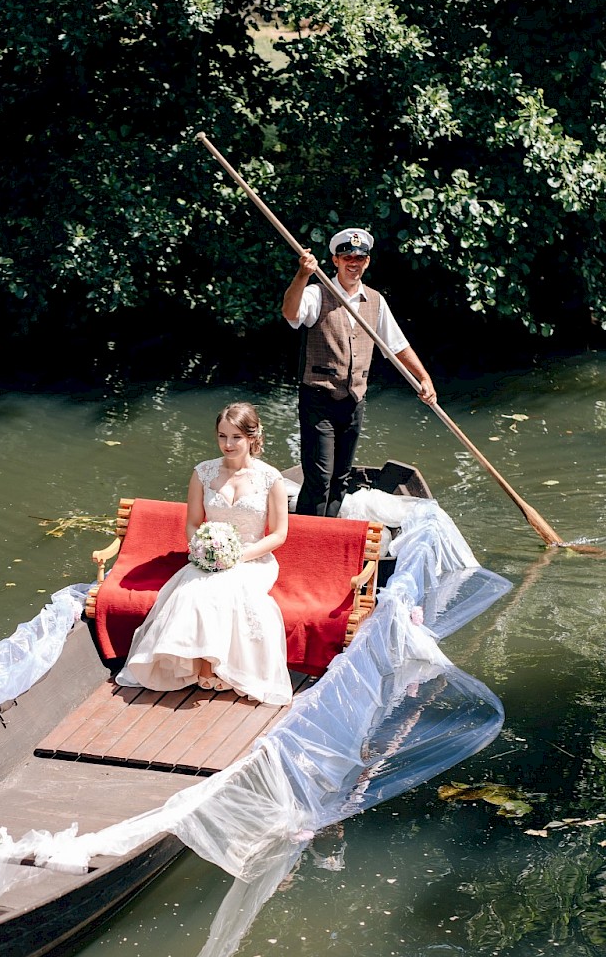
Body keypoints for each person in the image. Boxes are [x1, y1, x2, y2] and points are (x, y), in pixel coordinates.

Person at [116, 402, 292, 706]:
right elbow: (194, 523)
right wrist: (203, 549)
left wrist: (238, 557)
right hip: (209, 554)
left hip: (252, 558)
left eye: (235, 437)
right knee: (192, 592)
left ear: (252, 436)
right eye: (222, 436)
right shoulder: (203, 472)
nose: (227, 444)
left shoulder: (270, 479)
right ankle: (196, 664)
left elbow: (278, 534)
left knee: (226, 589)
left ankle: (217, 666)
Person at [282, 227, 437, 516]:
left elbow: (397, 345)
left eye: (359, 257)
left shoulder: (376, 301)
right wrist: (303, 274)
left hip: (354, 401)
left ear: (367, 261)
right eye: (347, 257)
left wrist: (423, 377)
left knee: (341, 478)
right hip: (319, 398)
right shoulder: (317, 293)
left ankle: (332, 537)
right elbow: (291, 313)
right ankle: (309, 541)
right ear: (335, 260)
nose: (353, 262)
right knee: (319, 478)